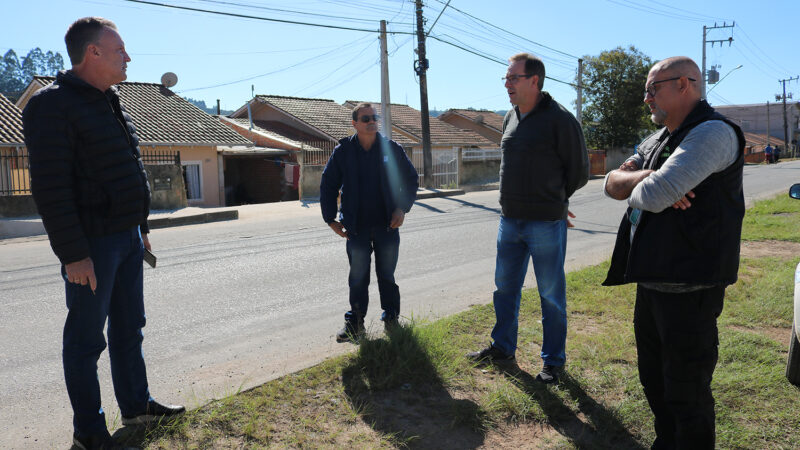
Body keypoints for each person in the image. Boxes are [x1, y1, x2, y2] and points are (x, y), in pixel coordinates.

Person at [22, 17, 184, 449]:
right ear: (92, 53)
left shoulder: (109, 100)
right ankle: (89, 433)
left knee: (130, 329)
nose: (128, 57)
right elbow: (50, 188)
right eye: (120, 50)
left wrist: (141, 227)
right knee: (86, 341)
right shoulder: (50, 106)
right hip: (91, 244)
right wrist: (74, 255)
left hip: (127, 237)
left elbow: (126, 168)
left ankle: (136, 406)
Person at [603, 56, 745, 448]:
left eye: (653, 88)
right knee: (653, 380)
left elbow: (653, 195)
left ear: (685, 85)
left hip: (691, 286)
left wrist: (657, 185)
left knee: (687, 393)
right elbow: (610, 183)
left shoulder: (712, 132)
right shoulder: (659, 138)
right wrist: (655, 174)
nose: (646, 98)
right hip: (651, 280)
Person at [467, 53, 589, 384]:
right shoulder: (510, 117)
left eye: (513, 78)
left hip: (545, 223)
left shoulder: (561, 120)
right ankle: (503, 347)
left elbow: (579, 171)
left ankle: (553, 362)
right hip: (509, 221)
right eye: (506, 78)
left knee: (550, 294)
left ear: (534, 80)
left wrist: (556, 202)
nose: (507, 84)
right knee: (505, 288)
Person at [320, 103, 418, 342]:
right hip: (356, 228)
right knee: (358, 277)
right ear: (355, 124)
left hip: (387, 224)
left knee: (387, 275)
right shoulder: (343, 152)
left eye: (374, 117)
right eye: (366, 118)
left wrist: (401, 208)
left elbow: (411, 179)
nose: (372, 121)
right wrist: (330, 219)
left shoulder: (391, 149)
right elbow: (328, 184)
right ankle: (355, 324)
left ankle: (392, 318)